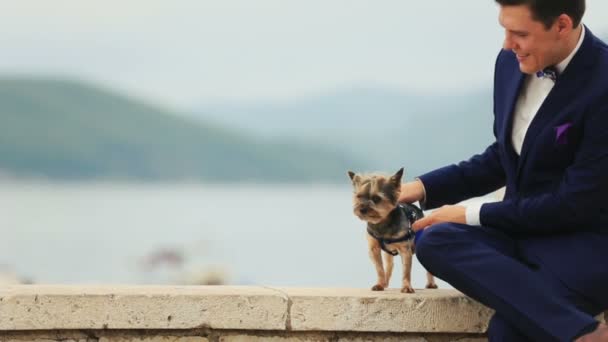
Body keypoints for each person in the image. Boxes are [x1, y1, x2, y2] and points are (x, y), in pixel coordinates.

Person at [398, 0, 608, 341]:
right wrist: (420, 188)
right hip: (518, 234)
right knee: (433, 238)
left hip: (584, 245)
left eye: (519, 33)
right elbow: (505, 156)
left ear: (562, 25)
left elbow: (575, 203)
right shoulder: (510, 62)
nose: (507, 44)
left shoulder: (604, 81)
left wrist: (470, 213)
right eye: (505, 30)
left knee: (508, 333)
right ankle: (582, 331)